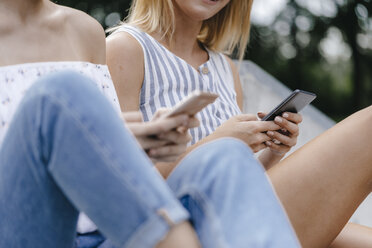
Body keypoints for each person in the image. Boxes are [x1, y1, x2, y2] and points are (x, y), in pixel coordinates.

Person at [0, 0, 301, 247]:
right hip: (31, 230)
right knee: (59, 93)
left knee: (227, 154)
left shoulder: (85, 30)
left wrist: (143, 141)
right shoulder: (126, 46)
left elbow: (111, 157)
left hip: (106, 229)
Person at [106, 0, 372, 247]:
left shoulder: (226, 69)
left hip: (236, 208)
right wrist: (220, 142)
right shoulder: (126, 48)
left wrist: (271, 152)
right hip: (183, 225)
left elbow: (239, 180)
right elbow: (120, 183)